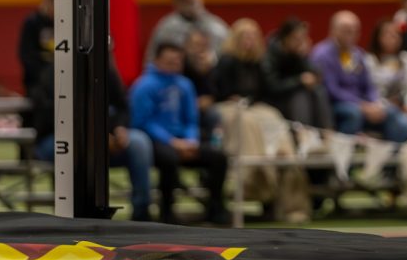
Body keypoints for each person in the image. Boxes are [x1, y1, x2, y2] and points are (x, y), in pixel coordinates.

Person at [29, 56, 155, 222]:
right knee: (69, 148)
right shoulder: (52, 73)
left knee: (139, 142)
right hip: (56, 138)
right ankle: (70, 215)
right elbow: (49, 117)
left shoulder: (106, 71)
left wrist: (119, 129)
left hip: (105, 139)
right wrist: (95, 138)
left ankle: (141, 214)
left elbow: (122, 107)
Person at [212, 19, 312, 223]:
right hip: (229, 107)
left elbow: (267, 92)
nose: (248, 41)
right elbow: (216, 91)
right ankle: (252, 178)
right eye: (244, 37)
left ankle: (283, 158)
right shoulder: (225, 61)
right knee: (246, 121)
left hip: (255, 106)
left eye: (252, 36)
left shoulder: (260, 62)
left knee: (274, 117)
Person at [130, 43, 230, 225]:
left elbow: (191, 118)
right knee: (169, 159)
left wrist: (191, 140)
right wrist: (172, 141)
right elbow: (142, 122)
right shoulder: (144, 86)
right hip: (155, 140)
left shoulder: (185, 84)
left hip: (184, 140)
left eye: (178, 61)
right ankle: (167, 212)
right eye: (169, 61)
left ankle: (215, 209)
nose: (174, 65)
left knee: (219, 157)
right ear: (157, 60)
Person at [311, 11, 407, 142]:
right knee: (354, 114)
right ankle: (342, 155)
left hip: (363, 105)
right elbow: (332, 90)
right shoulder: (322, 55)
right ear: (334, 31)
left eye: (355, 31)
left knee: (395, 115)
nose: (352, 36)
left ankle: (389, 158)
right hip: (336, 105)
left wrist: (375, 103)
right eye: (347, 31)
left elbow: (369, 85)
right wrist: (362, 106)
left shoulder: (357, 54)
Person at [264, 18, 332, 130]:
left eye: (302, 39)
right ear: (285, 38)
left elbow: (316, 73)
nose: (300, 43)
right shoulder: (271, 55)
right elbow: (273, 87)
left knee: (318, 91)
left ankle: (327, 132)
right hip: (275, 98)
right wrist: (299, 80)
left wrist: (304, 56)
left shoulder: (296, 53)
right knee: (300, 97)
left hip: (293, 92)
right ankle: (303, 133)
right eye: (297, 39)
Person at [145, 0, 230, 63]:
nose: (188, 0)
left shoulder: (217, 26)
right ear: (175, 1)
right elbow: (151, 61)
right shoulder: (166, 30)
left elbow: (229, 59)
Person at [17, 0, 54, 97]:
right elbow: (26, 57)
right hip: (39, 88)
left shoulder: (70, 24)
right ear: (46, 0)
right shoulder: (33, 23)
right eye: (52, 0)